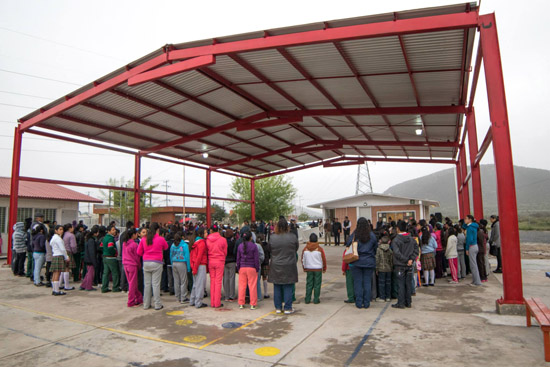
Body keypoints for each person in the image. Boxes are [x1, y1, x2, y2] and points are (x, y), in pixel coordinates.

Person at [268, 217, 299, 314]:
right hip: (289, 264)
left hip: (276, 264)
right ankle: (288, 308)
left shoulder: (272, 237)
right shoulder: (293, 236)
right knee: (288, 286)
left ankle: (278, 307)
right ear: (287, 226)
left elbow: (270, 250)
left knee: (277, 286)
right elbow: (296, 248)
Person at [347, 217, 378, 309]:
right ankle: (367, 302)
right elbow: (375, 248)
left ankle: (359, 303)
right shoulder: (372, 235)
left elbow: (348, 243)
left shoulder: (355, 235)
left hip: (356, 261)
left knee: (358, 283)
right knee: (367, 282)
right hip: (369, 261)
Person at [137, 222, 168, 310]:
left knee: (147, 284)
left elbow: (138, 252)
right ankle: (157, 304)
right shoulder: (161, 239)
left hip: (146, 262)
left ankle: (146, 304)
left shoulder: (144, 239)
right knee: (156, 284)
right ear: (158, 230)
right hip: (157, 263)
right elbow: (165, 247)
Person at [391, 221, 419, 309]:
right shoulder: (411, 239)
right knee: (408, 283)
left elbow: (396, 253)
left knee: (401, 284)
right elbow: (416, 250)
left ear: (398, 229)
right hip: (409, 264)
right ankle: (408, 302)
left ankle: (401, 302)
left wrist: (406, 260)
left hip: (400, 264)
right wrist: (411, 259)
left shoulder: (396, 240)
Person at [301, 233, 327, 304]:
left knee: (309, 284)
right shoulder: (319, 249)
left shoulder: (305, 249)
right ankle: (316, 299)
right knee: (317, 284)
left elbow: (303, 259)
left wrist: (304, 267)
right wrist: (324, 268)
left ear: (309, 239)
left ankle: (307, 299)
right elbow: (323, 259)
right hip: (318, 269)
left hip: (309, 268)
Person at [236, 231, 260, 310]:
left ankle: (241, 303)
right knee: (252, 286)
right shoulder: (254, 246)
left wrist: (239, 267)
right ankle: (253, 304)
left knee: (242, 286)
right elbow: (256, 259)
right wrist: (257, 268)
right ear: (251, 237)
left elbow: (238, 259)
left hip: (242, 267)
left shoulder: (240, 246)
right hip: (251, 267)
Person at [206, 224, 227, 308]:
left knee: (212, 281)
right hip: (220, 261)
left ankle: (212, 302)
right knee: (218, 282)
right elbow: (225, 252)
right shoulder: (223, 240)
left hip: (211, 260)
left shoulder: (207, 240)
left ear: (211, 230)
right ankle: (217, 302)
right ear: (218, 230)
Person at [122, 228, 143, 307]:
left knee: (131, 283)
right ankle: (131, 301)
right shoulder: (134, 244)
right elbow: (137, 257)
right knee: (132, 284)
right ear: (133, 235)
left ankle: (138, 298)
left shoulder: (125, 243)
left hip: (125, 264)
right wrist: (139, 266)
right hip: (132, 265)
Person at [189, 227, 208, 309]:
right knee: (200, 285)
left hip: (195, 265)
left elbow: (193, 256)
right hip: (200, 265)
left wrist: (193, 267)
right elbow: (199, 257)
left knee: (195, 284)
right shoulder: (202, 243)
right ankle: (198, 302)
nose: (206, 234)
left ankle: (192, 300)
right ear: (201, 234)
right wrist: (196, 267)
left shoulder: (195, 242)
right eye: (205, 233)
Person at [170, 232, 191, 304]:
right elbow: (187, 257)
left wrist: (172, 263)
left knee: (176, 281)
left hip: (174, 262)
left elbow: (171, 255)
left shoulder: (172, 245)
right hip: (182, 263)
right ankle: (183, 297)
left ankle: (177, 297)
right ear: (182, 237)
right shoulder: (184, 245)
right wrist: (188, 267)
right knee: (183, 281)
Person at [101, 225, 121, 293]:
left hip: (104, 257)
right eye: (113, 230)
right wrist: (115, 252)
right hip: (111, 258)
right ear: (109, 231)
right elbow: (110, 248)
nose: (114, 231)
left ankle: (104, 287)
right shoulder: (110, 238)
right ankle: (115, 287)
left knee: (105, 273)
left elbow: (101, 246)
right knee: (115, 273)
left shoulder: (104, 238)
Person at [49, 225, 68, 296]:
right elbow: (62, 249)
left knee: (55, 273)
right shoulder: (58, 239)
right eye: (60, 229)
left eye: (62, 229)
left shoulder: (53, 238)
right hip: (59, 255)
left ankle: (54, 289)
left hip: (55, 255)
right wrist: (66, 257)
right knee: (57, 273)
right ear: (56, 230)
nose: (61, 231)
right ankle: (56, 290)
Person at [464, 215, 481, 286]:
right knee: (473, 264)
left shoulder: (470, 228)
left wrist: (467, 248)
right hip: (475, 246)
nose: (465, 220)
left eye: (466, 219)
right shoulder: (473, 226)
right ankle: (475, 280)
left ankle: (477, 282)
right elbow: (464, 226)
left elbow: (469, 239)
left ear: (470, 219)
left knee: (473, 265)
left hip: (471, 246)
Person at [80, 226, 98, 291]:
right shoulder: (91, 241)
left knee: (88, 273)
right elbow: (92, 252)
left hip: (87, 258)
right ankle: (88, 286)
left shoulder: (88, 239)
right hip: (90, 260)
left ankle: (83, 285)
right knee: (90, 274)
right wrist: (94, 261)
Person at [376, 235, 393, 302]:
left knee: (381, 283)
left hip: (381, 268)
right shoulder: (390, 250)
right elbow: (391, 260)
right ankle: (388, 296)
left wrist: (376, 268)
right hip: (388, 268)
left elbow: (377, 259)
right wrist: (391, 267)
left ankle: (382, 297)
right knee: (388, 283)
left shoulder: (378, 249)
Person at [223, 229, 237, 302]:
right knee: (232, 278)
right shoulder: (233, 242)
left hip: (225, 260)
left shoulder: (223, 241)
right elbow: (235, 251)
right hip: (232, 260)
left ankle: (226, 295)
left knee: (225, 278)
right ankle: (232, 295)